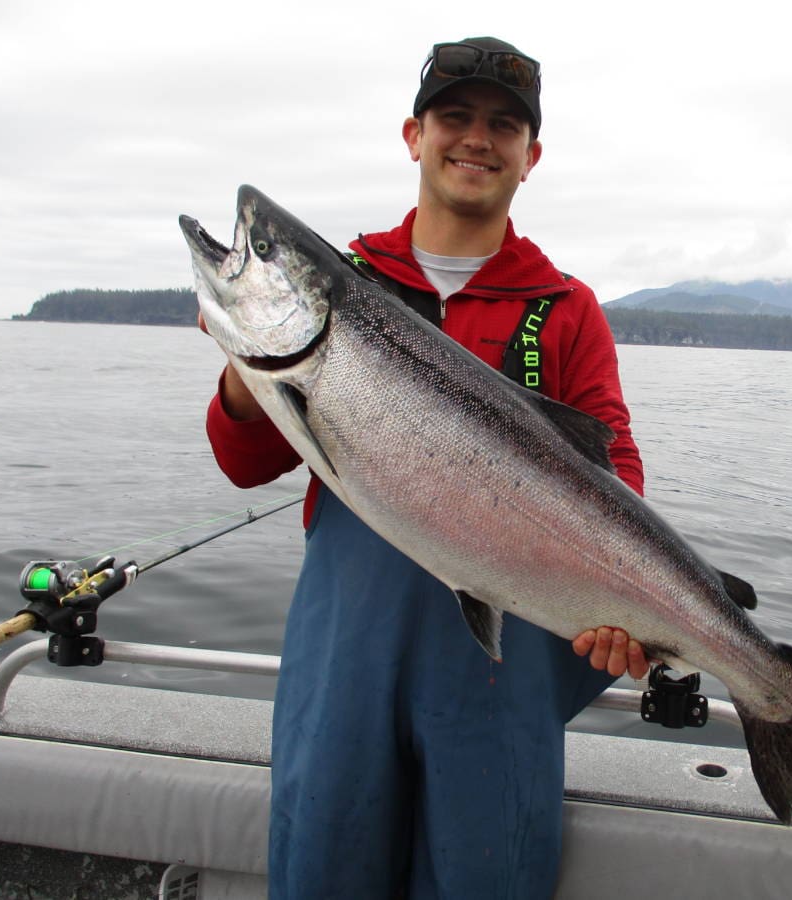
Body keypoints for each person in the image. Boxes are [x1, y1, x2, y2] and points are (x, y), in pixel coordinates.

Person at [204, 36, 649, 898]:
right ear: (414, 136)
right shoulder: (342, 280)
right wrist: (242, 372)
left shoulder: (564, 308)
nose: (477, 139)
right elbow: (244, 464)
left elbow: (616, 468)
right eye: (455, 117)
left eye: (503, 125)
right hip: (346, 655)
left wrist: (616, 599)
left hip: (507, 664)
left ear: (532, 156)